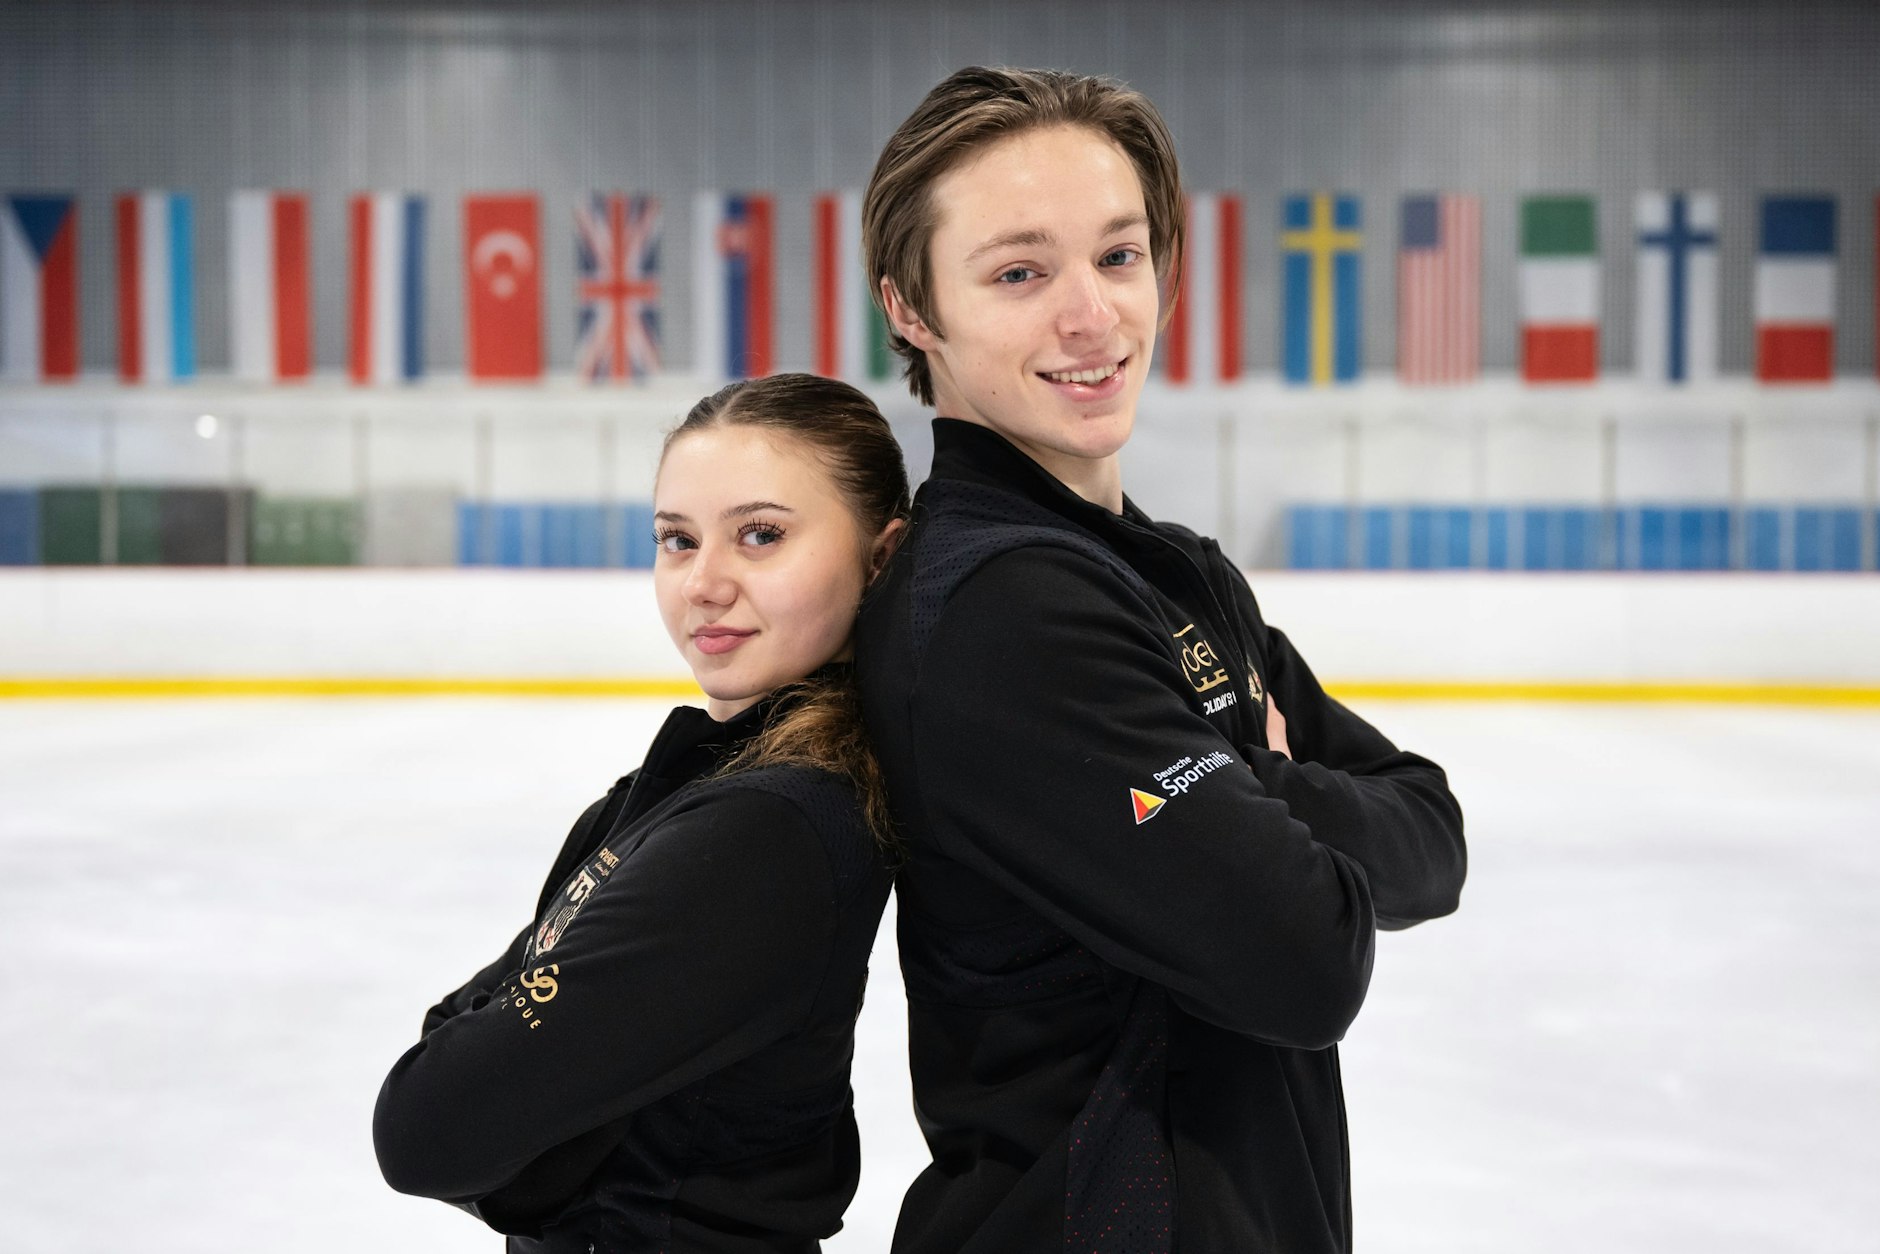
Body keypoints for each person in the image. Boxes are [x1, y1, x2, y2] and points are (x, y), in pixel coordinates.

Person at [854, 66, 1468, 1253]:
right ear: (911, 309)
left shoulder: (1168, 572)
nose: (1090, 316)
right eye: (1019, 273)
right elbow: (1302, 963)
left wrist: (1240, 788)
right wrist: (1260, 777)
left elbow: (1431, 834)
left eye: (1119, 256)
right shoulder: (1001, 610)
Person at [373, 373, 910, 1253]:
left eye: (761, 536)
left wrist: (532, 1132)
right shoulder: (703, 785)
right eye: (677, 539)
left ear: (879, 557)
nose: (704, 581)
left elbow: (428, 1124)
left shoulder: (766, 833)